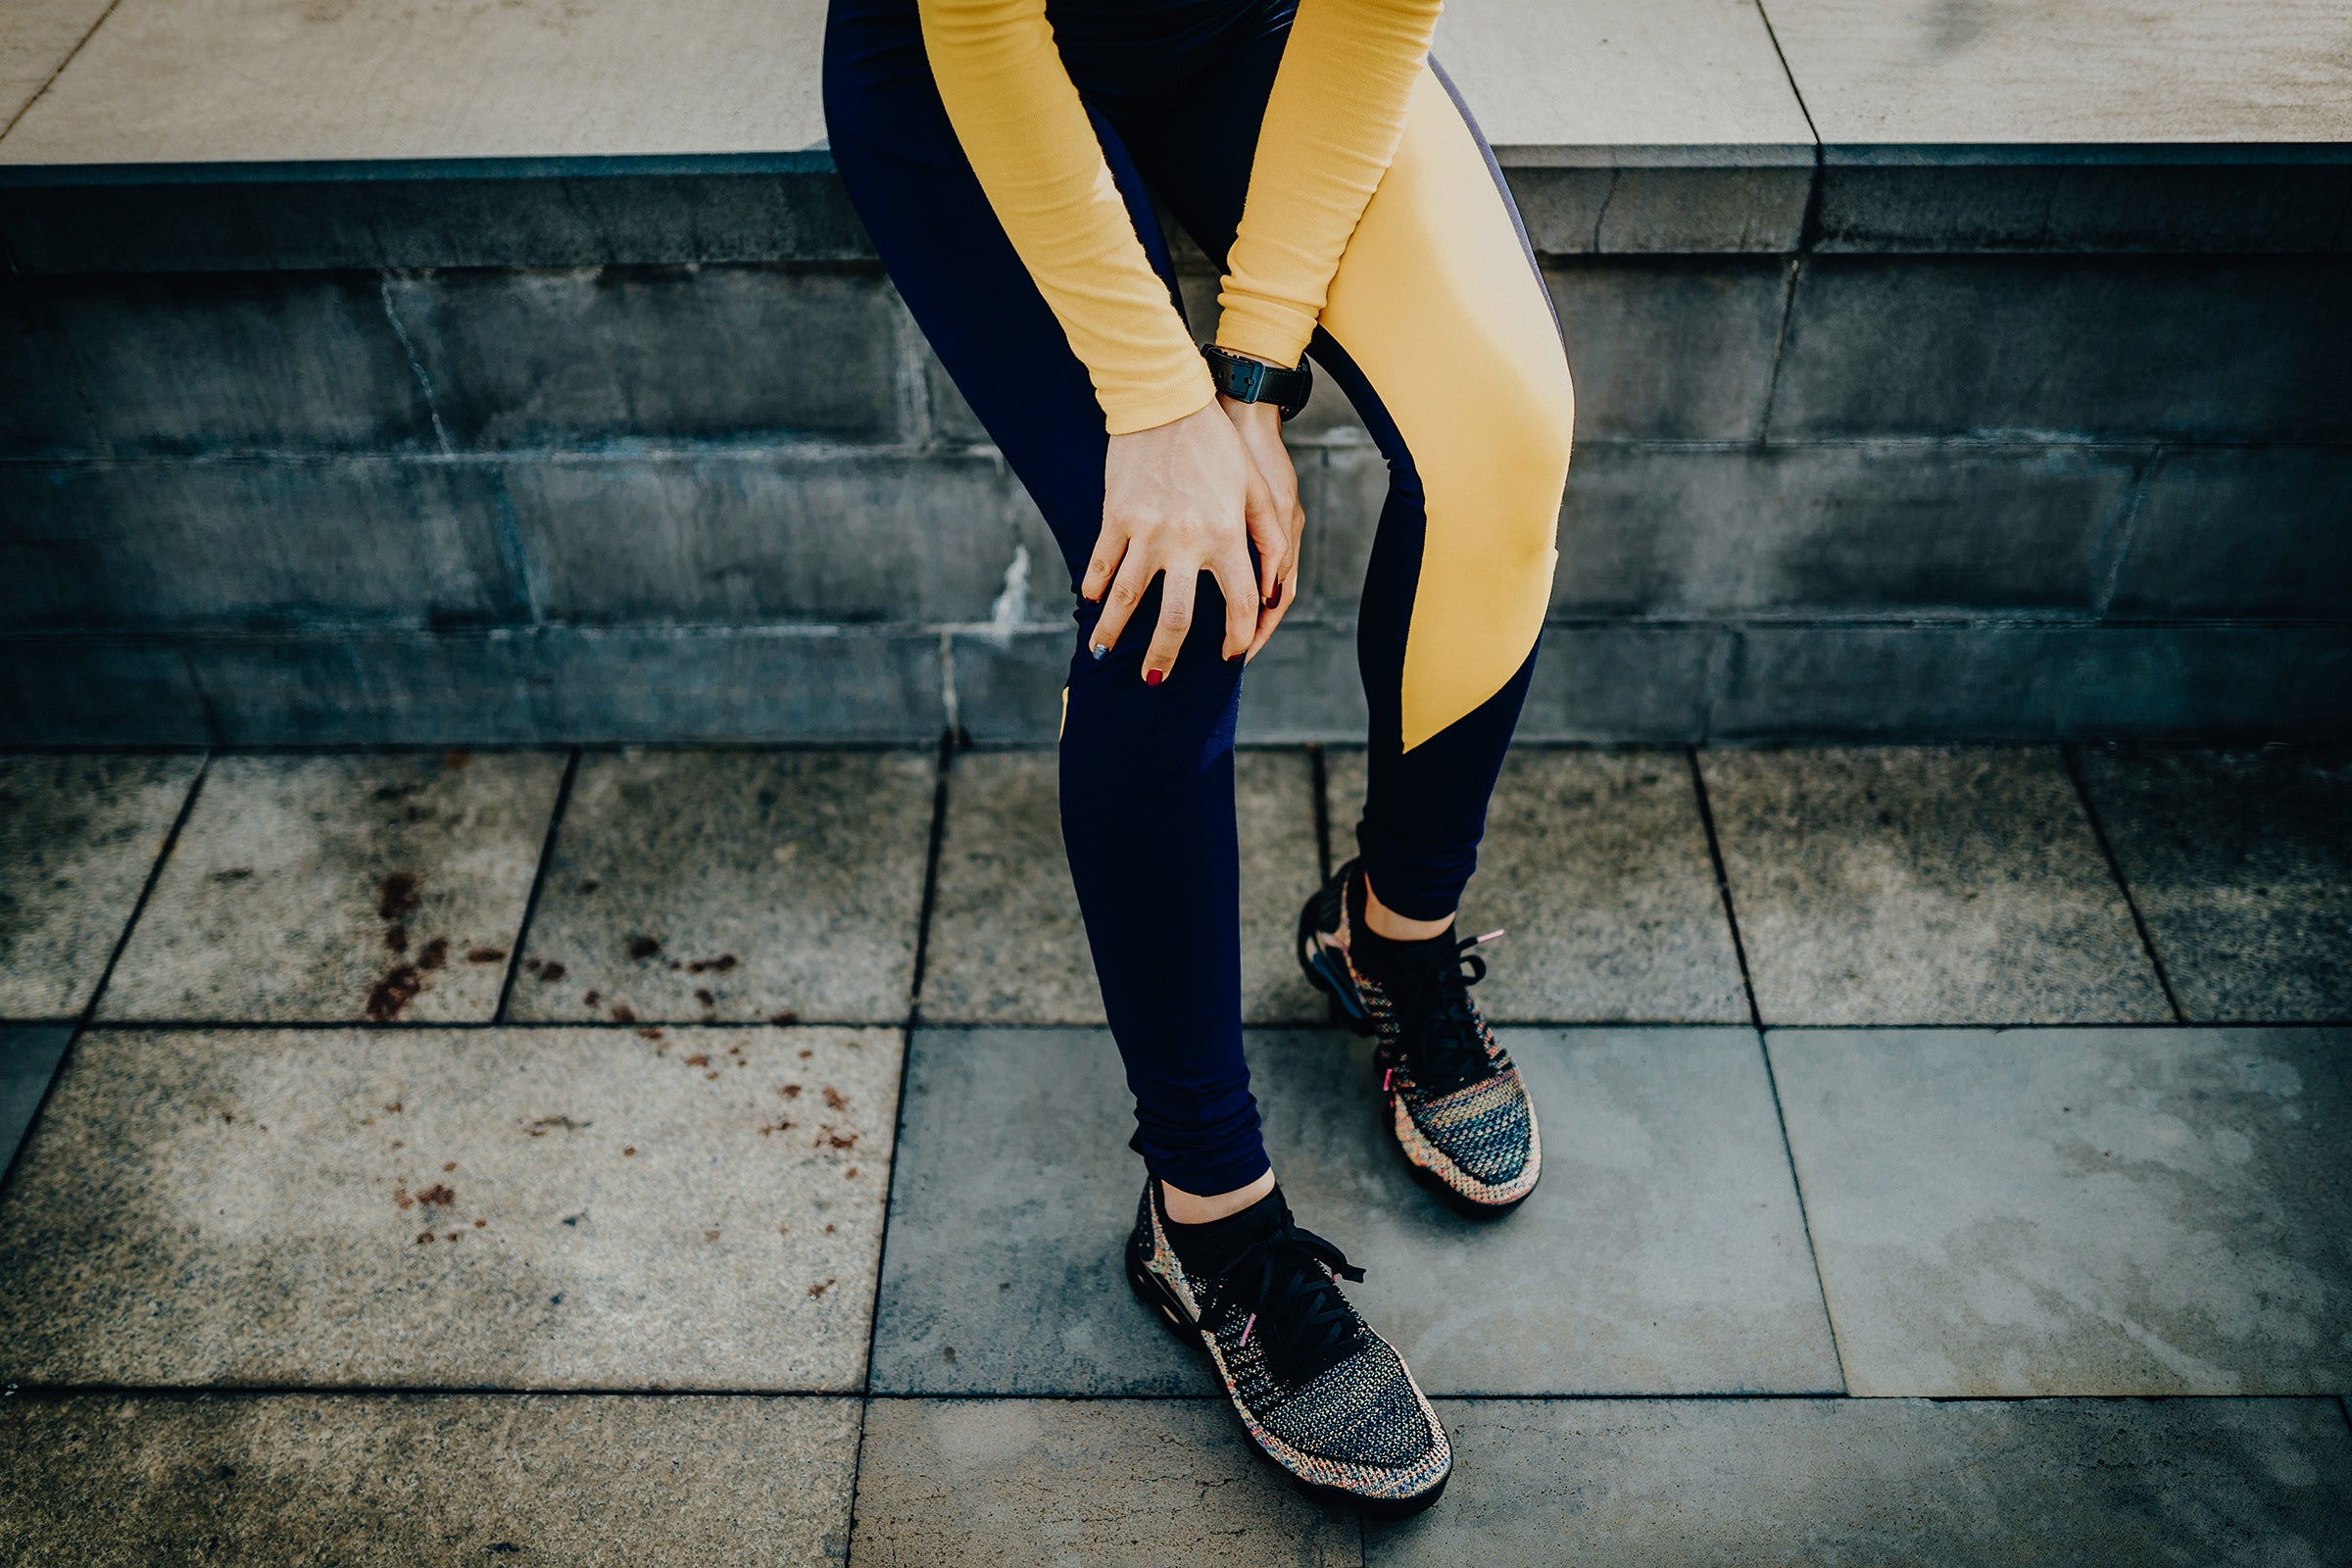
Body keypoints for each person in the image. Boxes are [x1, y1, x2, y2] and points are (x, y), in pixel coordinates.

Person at [824, 0, 1573, 1516]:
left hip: (1259, 27)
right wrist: (1157, 404)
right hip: (971, 50)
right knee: (1181, 585)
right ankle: (1208, 1215)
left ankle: (1388, 937)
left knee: (1506, 437)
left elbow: (1373, 12)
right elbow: (979, 22)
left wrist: (1249, 371)